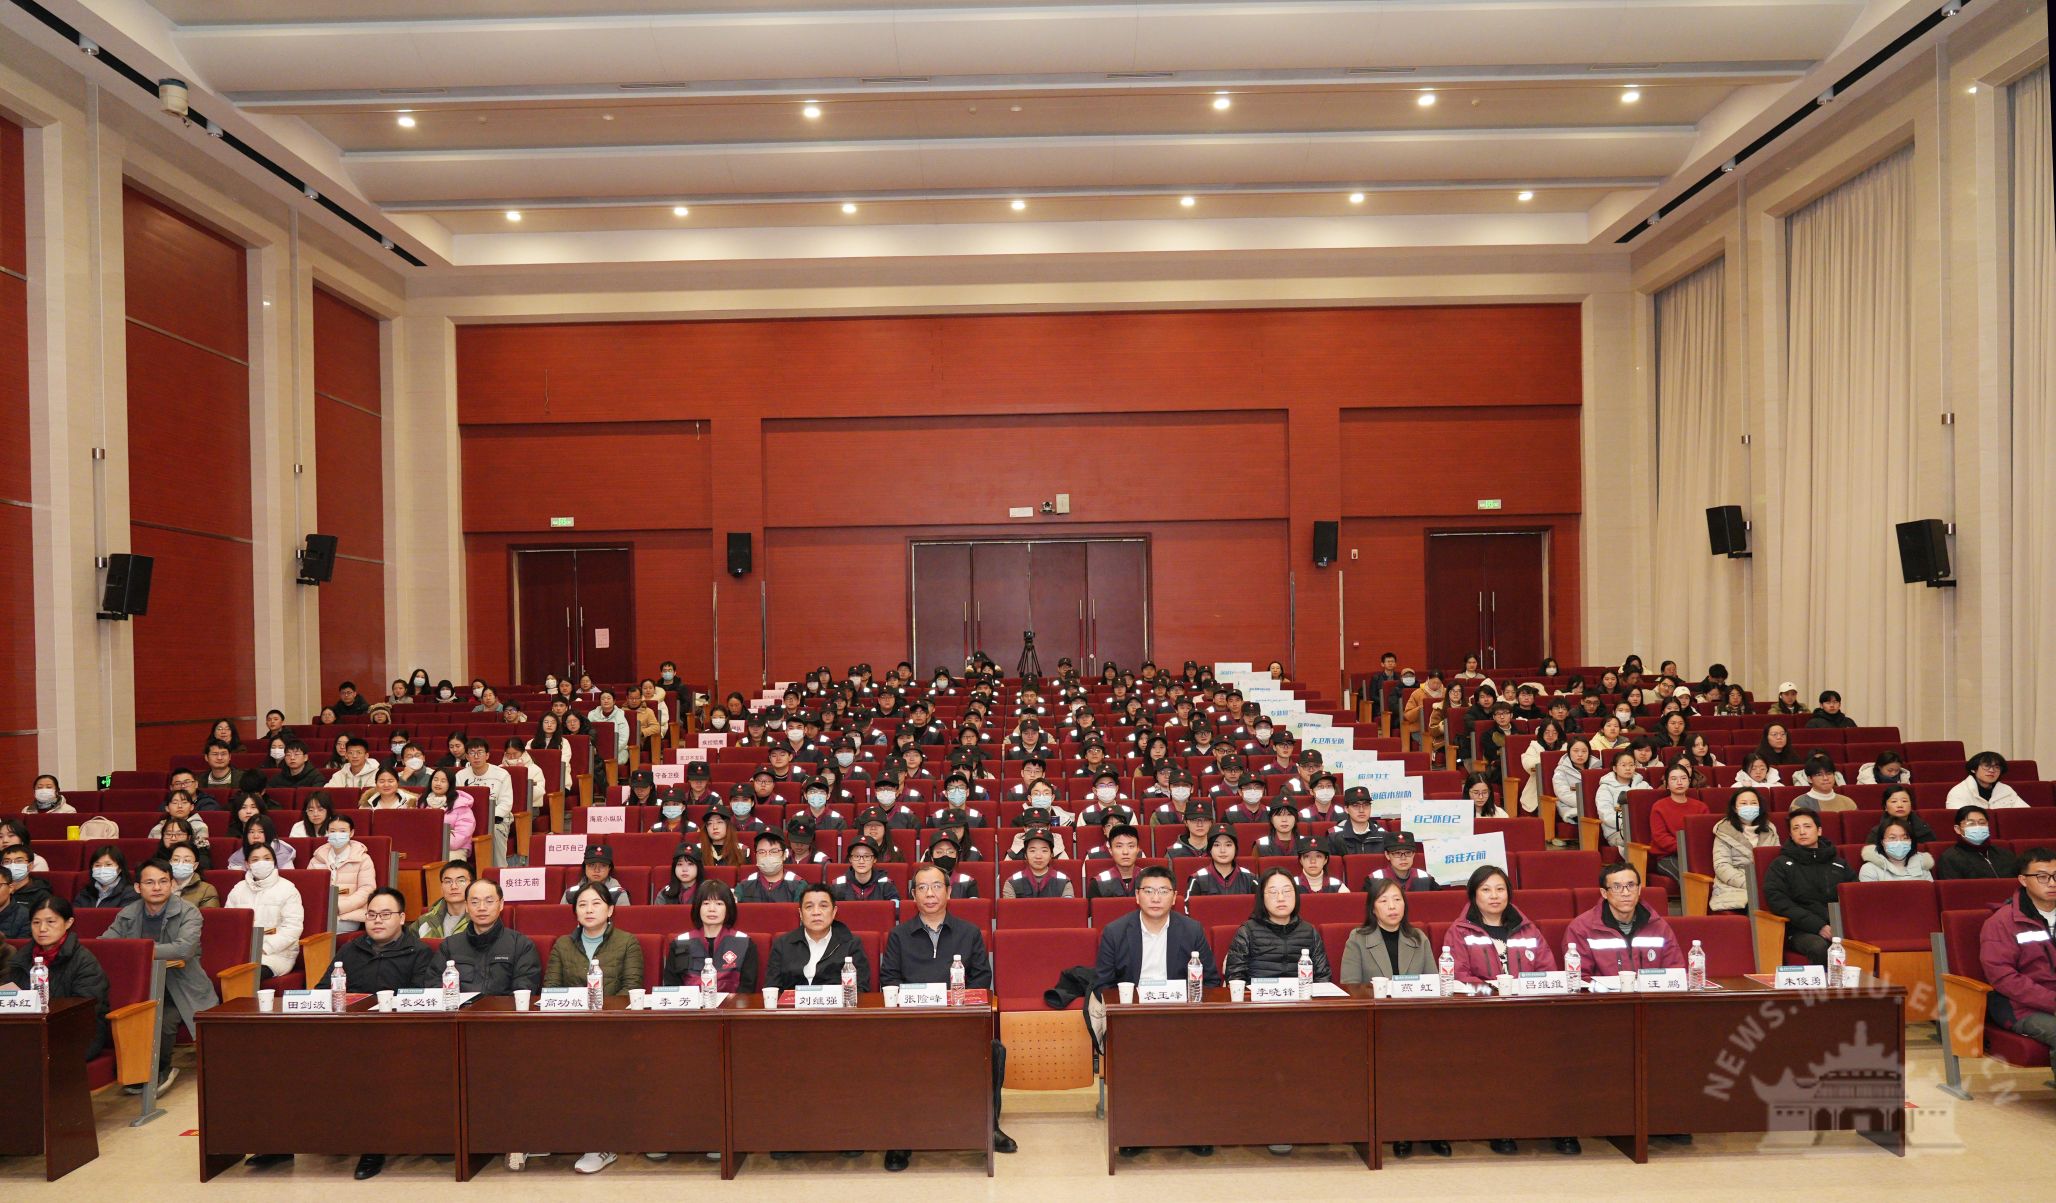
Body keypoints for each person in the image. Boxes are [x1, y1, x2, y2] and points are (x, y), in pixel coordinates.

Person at [879, 863, 1014, 1168]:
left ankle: (988, 1125)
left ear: (949, 892)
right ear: (913, 895)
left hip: (960, 1024)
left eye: (936, 886)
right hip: (912, 1026)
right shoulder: (899, 936)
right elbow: (889, 980)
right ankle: (900, 1136)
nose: (930, 893)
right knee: (889, 1052)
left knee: (994, 1050)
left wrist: (955, 1006)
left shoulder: (969, 933)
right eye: (922, 887)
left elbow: (981, 980)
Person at [1442, 864, 1576, 1156]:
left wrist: (1523, 995)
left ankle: (1558, 1125)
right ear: (1473, 895)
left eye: (1500, 889)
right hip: (1483, 1016)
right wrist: (1493, 993)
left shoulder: (1528, 929)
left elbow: (1547, 970)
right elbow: (1459, 978)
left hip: (1529, 1012)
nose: (1494, 896)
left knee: (1559, 1052)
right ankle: (1502, 1125)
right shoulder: (1459, 932)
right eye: (1486, 890)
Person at [107, 859, 215, 1094]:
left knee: (162, 1021)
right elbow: (107, 945)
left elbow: (183, 949)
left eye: (163, 881)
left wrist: (139, 949)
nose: (157, 887)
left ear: (172, 884)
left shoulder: (189, 911)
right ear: (138, 887)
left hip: (181, 987)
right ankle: (132, 1070)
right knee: (121, 1016)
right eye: (149, 882)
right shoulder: (128, 913)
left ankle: (160, 1069)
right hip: (141, 986)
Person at [1976, 848, 2056, 1075]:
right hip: (2020, 1006)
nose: (2052, 883)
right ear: (2023, 880)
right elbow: (2004, 978)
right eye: (2042, 877)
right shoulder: (2002, 922)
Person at [6, 897, 110, 1060]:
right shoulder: (21, 958)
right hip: (29, 1031)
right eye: (36, 922)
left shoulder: (84, 961)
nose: (42, 929)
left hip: (76, 1033)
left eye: (51, 922)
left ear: (68, 923)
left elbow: (86, 1010)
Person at [1761, 810, 1856, 965]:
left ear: (1819, 831)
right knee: (1819, 947)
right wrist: (1818, 926)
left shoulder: (1838, 863)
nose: (1802, 832)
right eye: (1796, 828)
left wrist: (1839, 925)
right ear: (1790, 835)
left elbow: (1853, 896)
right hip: (1800, 929)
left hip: (1838, 926)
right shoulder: (1781, 864)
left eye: (1807, 826)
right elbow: (1778, 901)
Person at [1564, 862, 1685, 975]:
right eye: (1617, 887)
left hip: (1652, 991)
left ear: (1639, 890)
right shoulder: (1581, 929)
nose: (1626, 893)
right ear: (1604, 893)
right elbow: (1579, 979)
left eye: (1631, 885)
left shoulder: (1658, 926)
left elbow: (1675, 972)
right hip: (1604, 992)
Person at [1224, 869, 1331, 983]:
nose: (1281, 898)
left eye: (1287, 891)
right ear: (1262, 897)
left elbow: (1323, 977)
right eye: (1273, 892)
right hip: (1258, 994)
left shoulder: (1309, 932)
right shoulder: (1247, 932)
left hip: (1302, 994)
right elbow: (1235, 978)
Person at [445, 879, 543, 998]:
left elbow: (523, 991)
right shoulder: (449, 946)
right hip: (460, 1009)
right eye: (474, 902)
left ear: (501, 904)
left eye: (489, 901)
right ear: (466, 906)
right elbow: (435, 987)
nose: (482, 907)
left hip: (503, 1009)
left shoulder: (521, 945)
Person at [766, 883, 873, 990]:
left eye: (823, 906)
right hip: (794, 1001)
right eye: (809, 907)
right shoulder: (782, 945)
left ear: (834, 912)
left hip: (836, 1001)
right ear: (800, 914)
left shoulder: (851, 944)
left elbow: (860, 988)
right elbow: (772, 989)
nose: (816, 912)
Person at [664, 880, 757, 994]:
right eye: (706, 903)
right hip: (689, 1004)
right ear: (698, 907)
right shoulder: (679, 944)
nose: (712, 909)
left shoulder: (744, 943)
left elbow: (747, 989)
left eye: (719, 903)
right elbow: (672, 987)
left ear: (728, 908)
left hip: (732, 1004)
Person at [227, 842, 303, 979]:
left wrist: (265, 948)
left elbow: (293, 928)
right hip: (242, 953)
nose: (261, 863)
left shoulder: (288, 889)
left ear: (274, 862)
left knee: (244, 976)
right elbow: (229, 924)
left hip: (276, 955)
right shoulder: (238, 889)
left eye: (267, 858)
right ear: (247, 864)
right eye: (255, 860)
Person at [1710, 788, 1779, 914]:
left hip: (1767, 883)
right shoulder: (1724, 830)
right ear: (1734, 808)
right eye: (1743, 803)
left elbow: (1777, 861)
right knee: (1757, 905)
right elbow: (1722, 866)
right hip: (1735, 886)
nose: (1749, 807)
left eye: (1753, 803)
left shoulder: (1770, 829)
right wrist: (1751, 884)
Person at [312, 813, 376, 930]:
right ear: (327, 832)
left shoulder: (363, 858)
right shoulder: (317, 858)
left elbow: (367, 889)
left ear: (351, 833)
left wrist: (338, 907)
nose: (337, 835)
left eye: (342, 831)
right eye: (332, 831)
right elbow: (310, 887)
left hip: (349, 914)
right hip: (320, 912)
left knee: (326, 929)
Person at [456, 737, 516, 863]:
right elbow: (457, 802)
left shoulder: (502, 774)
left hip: (496, 820)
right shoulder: (460, 776)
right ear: (467, 756)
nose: (476, 756)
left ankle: (499, 870)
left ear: (487, 755)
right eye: (472, 753)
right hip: (467, 820)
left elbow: (506, 803)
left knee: (494, 831)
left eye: (480, 752)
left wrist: (487, 818)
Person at [1647, 764, 1708, 881]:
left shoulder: (1701, 807)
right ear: (1667, 784)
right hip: (1668, 856)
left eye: (1683, 778)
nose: (1679, 782)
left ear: (1689, 781)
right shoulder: (1659, 806)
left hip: (1695, 855)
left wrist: (1693, 849)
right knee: (1691, 879)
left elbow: (1704, 834)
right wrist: (1685, 847)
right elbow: (1660, 837)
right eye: (1674, 779)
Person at [1935, 805, 2019, 880]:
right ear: (1958, 829)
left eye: (1982, 823)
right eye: (1971, 823)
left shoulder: (2005, 854)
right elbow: (1954, 889)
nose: (1978, 827)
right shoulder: (1950, 858)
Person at [1185, 826, 1257, 898]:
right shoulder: (1197, 879)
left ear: (1236, 849)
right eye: (1216, 845)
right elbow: (1190, 905)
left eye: (1228, 845)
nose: (1222, 850)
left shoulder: (1250, 879)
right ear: (1210, 850)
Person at [735, 831, 807, 903]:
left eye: (774, 851)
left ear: (784, 855)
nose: (767, 856)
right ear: (756, 855)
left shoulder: (798, 884)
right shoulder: (744, 885)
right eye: (761, 852)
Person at [1593, 749, 1642, 853]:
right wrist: (1630, 824)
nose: (1628, 768)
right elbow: (1605, 815)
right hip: (1616, 832)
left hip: (1641, 829)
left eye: (1631, 765)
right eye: (1623, 765)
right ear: (1615, 768)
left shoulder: (1643, 785)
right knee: (1638, 838)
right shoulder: (1605, 788)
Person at [1001, 828, 1073, 897]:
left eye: (1044, 851)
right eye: (1032, 851)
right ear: (1025, 855)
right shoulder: (1012, 882)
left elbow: (1068, 905)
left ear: (1051, 854)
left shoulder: (1064, 882)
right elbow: (1009, 906)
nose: (1038, 856)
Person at [1859, 817, 1934, 881]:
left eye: (1905, 838)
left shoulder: (1922, 864)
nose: (1899, 842)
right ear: (1882, 842)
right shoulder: (1870, 869)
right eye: (1892, 838)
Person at [1947, 751, 2027, 810]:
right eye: (1987, 766)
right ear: (1973, 769)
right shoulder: (1959, 791)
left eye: (1997, 767)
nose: (1992, 770)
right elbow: (1960, 819)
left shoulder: (2006, 790)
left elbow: (2025, 813)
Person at [829, 837, 899, 903]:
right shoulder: (837, 886)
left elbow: (895, 909)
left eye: (867, 856)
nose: (861, 861)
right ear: (850, 859)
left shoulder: (886, 885)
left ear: (875, 859)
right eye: (856, 856)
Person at [1860, 786, 1935, 846]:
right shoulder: (1877, 832)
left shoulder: (1923, 830)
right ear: (1885, 807)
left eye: (1904, 801)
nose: (1900, 805)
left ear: (1911, 805)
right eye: (1894, 801)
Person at [1365, 833, 1439, 891]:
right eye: (1397, 853)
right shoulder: (1374, 879)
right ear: (1387, 855)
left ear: (1413, 854)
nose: (1403, 858)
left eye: (1408, 853)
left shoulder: (1426, 878)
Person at [560, 845, 631, 906]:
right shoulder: (570, 895)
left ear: (609, 868)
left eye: (603, 866)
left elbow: (623, 918)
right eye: (592, 865)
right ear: (585, 867)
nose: (597, 870)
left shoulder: (618, 894)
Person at [1087, 825, 1145, 898]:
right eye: (1119, 846)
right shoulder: (1098, 883)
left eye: (1131, 846)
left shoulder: (1150, 879)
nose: (1125, 852)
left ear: (1137, 850)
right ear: (1110, 850)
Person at [1326, 787, 1388, 855]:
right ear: (1346, 809)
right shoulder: (1335, 836)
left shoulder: (1383, 834)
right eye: (1355, 806)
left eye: (1366, 805)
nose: (1361, 810)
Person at [75, 845, 141, 909]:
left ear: (120, 868)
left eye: (108, 865)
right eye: (97, 865)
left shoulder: (131, 893)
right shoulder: (85, 893)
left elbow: (125, 915)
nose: (102, 869)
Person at [1792, 753, 1856, 814]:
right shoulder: (1800, 803)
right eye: (1819, 775)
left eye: (1829, 774)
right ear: (1810, 779)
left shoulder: (1848, 802)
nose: (1825, 778)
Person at [226, 814, 295, 870]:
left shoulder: (282, 853)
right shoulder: (241, 854)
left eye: (261, 832)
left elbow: (288, 876)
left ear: (269, 833)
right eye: (251, 832)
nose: (255, 836)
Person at [168, 844, 218, 909]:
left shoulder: (206, 890)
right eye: (176, 859)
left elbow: (208, 914)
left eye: (186, 860)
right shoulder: (159, 886)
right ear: (170, 863)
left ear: (195, 866)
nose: (180, 864)